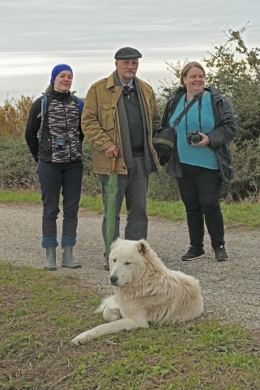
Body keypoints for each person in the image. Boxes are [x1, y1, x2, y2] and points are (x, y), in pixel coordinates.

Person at [81, 47, 161, 270]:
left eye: (134, 62)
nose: (131, 67)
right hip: (112, 164)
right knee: (112, 213)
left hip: (140, 160)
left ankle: (135, 258)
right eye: (126, 63)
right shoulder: (98, 90)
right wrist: (106, 144)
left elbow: (155, 121)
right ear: (116, 64)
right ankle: (112, 257)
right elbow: (88, 122)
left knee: (139, 212)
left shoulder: (145, 89)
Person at [161, 61, 237, 262]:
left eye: (201, 76)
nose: (197, 79)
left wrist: (210, 139)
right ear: (184, 79)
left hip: (209, 163)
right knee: (191, 205)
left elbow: (231, 126)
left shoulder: (217, 100)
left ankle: (218, 246)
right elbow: (166, 127)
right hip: (182, 162)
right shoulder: (174, 101)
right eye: (193, 76)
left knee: (210, 204)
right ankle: (196, 247)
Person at [25, 64, 84, 271]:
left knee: (72, 210)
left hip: (74, 165)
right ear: (54, 78)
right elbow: (30, 134)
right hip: (49, 165)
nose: (66, 79)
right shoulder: (41, 103)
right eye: (62, 76)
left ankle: (68, 255)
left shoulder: (78, 104)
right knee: (50, 210)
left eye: (69, 76)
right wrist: (41, 158)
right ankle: (50, 255)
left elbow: (82, 132)